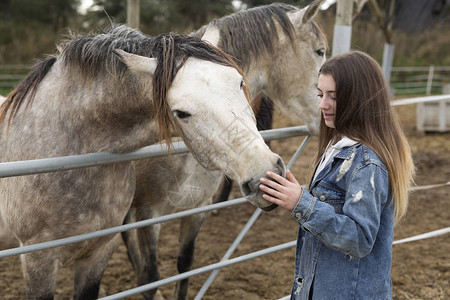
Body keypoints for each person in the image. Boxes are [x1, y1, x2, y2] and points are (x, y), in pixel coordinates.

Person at [259, 50, 415, 299]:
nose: (322, 104)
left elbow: (360, 238)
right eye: (320, 94)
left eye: (333, 96)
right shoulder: (338, 148)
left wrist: (302, 203)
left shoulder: (367, 163)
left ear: (359, 99)